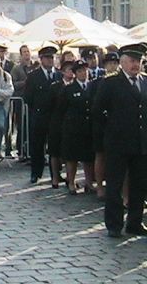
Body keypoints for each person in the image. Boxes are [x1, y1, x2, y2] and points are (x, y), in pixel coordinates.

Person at [93, 43, 147, 237]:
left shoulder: (145, 81)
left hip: (141, 143)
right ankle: (114, 224)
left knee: (139, 185)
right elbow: (98, 111)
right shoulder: (111, 82)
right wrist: (111, 129)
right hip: (118, 142)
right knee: (115, 185)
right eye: (132, 61)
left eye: (139, 61)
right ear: (122, 62)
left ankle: (135, 222)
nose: (135, 65)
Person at [56, 59, 95, 195]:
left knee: (89, 157)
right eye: (80, 71)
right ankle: (71, 182)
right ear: (75, 73)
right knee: (72, 157)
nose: (83, 73)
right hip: (73, 128)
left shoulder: (92, 87)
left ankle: (89, 183)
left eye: (85, 70)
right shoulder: (69, 89)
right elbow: (61, 109)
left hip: (88, 127)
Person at [24, 46, 61, 184]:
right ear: (41, 59)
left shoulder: (59, 75)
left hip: (54, 117)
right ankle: (36, 172)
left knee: (55, 148)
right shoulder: (33, 76)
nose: (50, 60)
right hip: (39, 115)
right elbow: (28, 97)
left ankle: (55, 174)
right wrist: (37, 109)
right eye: (47, 57)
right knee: (37, 146)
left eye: (52, 57)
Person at [91, 51, 120, 199]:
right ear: (105, 65)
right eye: (110, 63)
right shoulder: (98, 82)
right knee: (100, 155)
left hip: (117, 126)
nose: (113, 66)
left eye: (115, 63)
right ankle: (100, 187)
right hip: (101, 124)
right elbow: (94, 105)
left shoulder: (122, 82)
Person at [47, 61, 74, 188]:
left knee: (69, 152)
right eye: (69, 70)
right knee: (54, 151)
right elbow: (50, 105)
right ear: (63, 72)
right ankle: (55, 178)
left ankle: (70, 178)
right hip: (57, 122)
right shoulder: (55, 86)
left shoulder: (77, 85)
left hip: (71, 122)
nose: (71, 72)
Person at [10, 45, 34, 159]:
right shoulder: (16, 68)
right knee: (21, 125)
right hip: (20, 100)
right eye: (24, 52)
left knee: (32, 125)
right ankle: (21, 150)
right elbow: (12, 84)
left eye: (28, 51)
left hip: (33, 101)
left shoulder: (35, 67)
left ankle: (31, 149)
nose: (26, 54)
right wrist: (24, 82)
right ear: (21, 54)